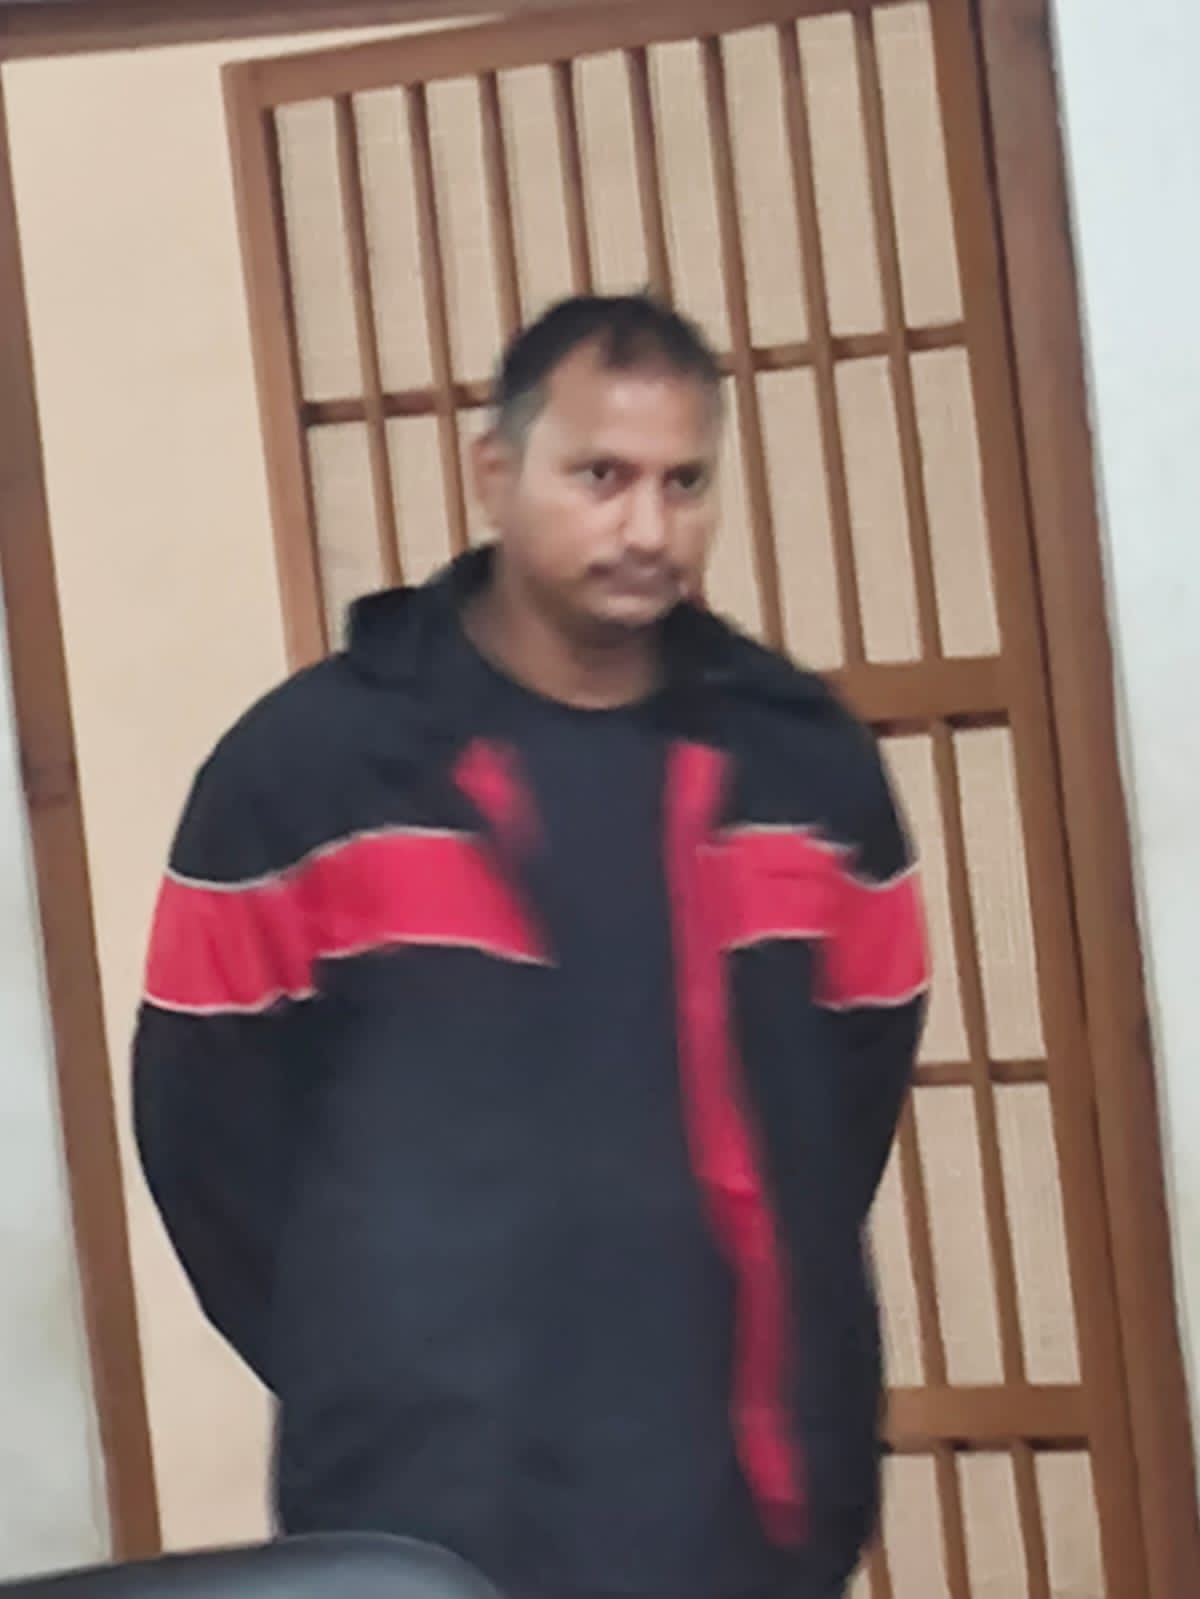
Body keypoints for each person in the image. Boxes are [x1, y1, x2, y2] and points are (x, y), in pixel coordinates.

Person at [135, 295, 927, 1599]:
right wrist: (367, 1340)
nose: (647, 527)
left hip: (746, 1502)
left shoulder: (806, 767)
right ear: (496, 473)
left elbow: (850, 1091)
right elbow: (202, 1135)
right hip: (422, 1512)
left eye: (684, 483)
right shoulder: (307, 771)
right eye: (600, 477)